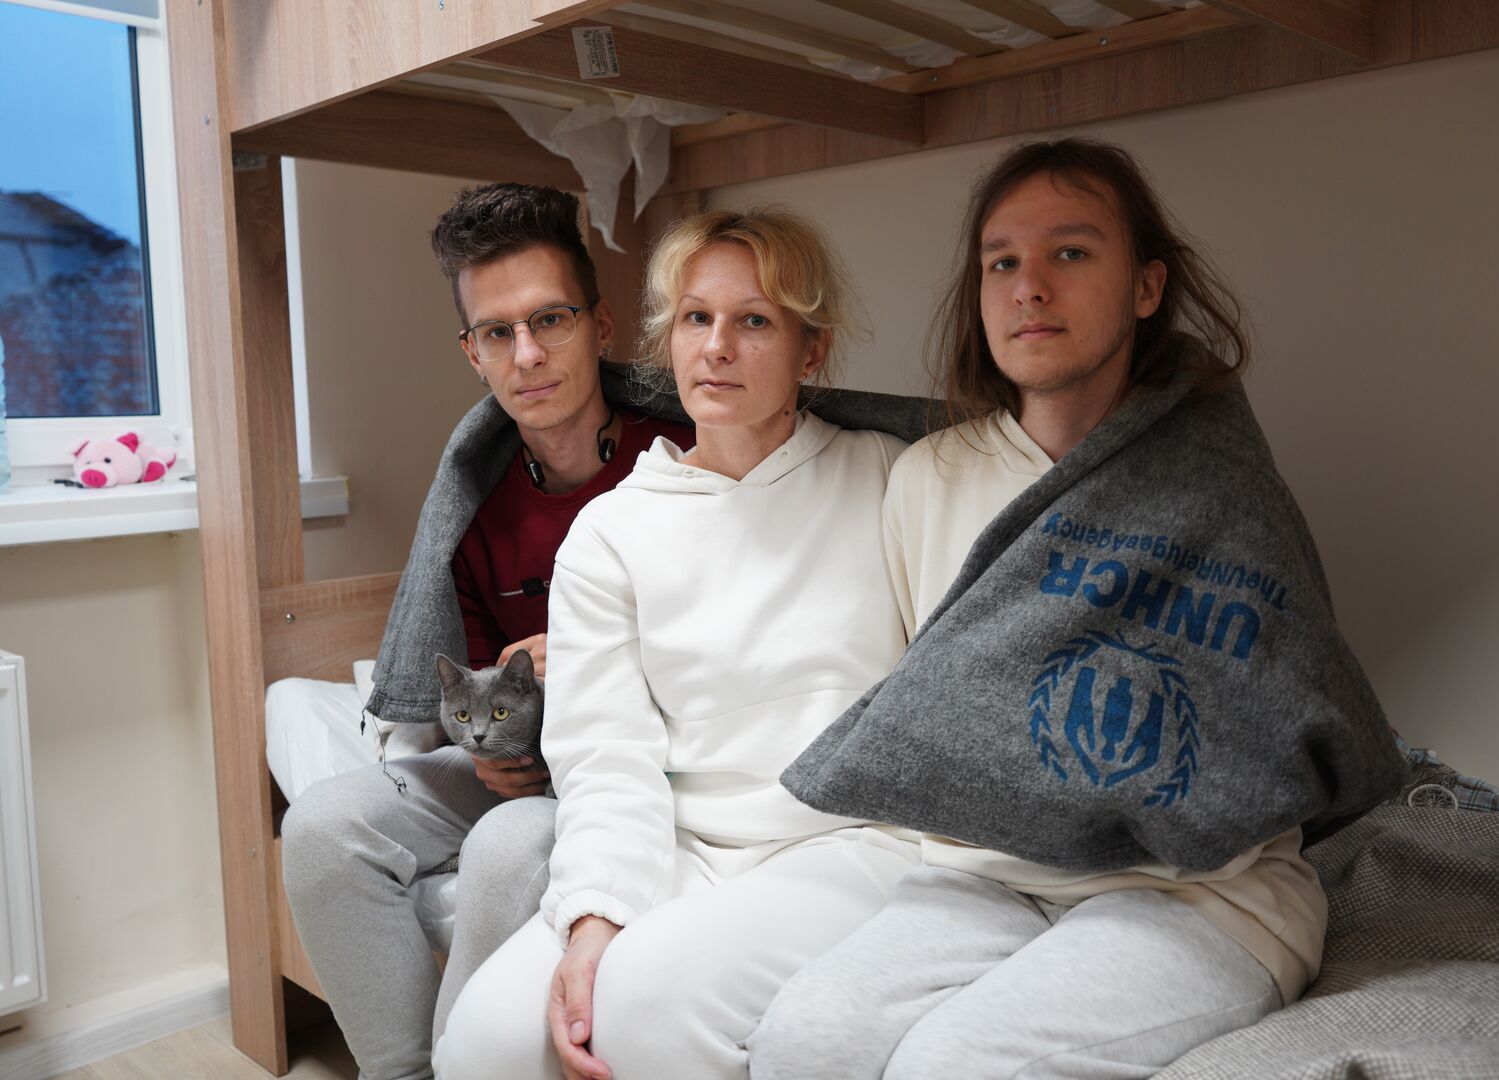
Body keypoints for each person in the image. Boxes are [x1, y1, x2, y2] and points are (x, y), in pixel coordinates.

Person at [754, 138, 1403, 1079]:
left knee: (956, 1065)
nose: (1029, 287)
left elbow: (1291, 714)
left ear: (1146, 286)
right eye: (1002, 262)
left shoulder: (1213, 483)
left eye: (1070, 252)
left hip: (1200, 895)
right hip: (983, 874)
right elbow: (924, 704)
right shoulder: (930, 478)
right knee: (800, 1042)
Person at [433, 208, 922, 1080]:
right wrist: (594, 920)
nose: (718, 347)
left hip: (849, 844)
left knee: (648, 1006)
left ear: (812, 351)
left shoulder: (888, 478)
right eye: (697, 317)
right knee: (484, 1045)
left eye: (755, 320)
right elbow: (606, 757)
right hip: (683, 848)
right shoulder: (611, 532)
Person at [280, 183, 690, 1080]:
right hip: (530, 766)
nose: (528, 354)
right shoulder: (471, 503)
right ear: (471, 352)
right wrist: (488, 753)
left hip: (639, 761)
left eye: (551, 319)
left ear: (602, 325)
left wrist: (579, 660)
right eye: (497, 332)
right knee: (319, 827)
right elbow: (469, 688)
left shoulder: (686, 452)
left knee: (510, 849)